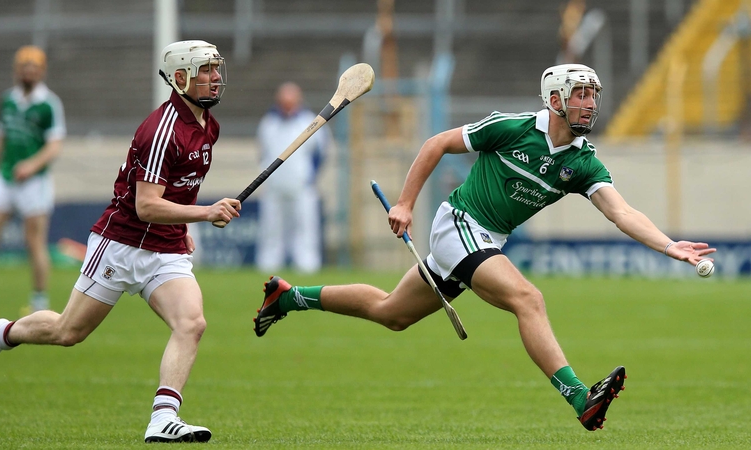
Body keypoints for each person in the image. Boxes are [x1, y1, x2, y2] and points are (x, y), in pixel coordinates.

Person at [252, 64, 717, 431]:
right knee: (528, 298)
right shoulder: (513, 128)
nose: (589, 103)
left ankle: (289, 297)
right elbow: (436, 144)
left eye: (593, 94)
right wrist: (406, 203)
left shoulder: (582, 160)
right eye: (580, 94)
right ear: (554, 100)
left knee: (391, 313)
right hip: (458, 224)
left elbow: (622, 212)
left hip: (484, 241)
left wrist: (668, 245)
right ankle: (580, 397)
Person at [0, 40, 241, 443]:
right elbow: (145, 206)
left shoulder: (207, 126)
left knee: (191, 323)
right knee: (67, 332)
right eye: (206, 71)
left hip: (165, 248)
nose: (216, 78)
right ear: (180, 78)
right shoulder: (161, 131)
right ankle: (1, 334)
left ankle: (162, 418)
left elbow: (177, 191)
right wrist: (206, 213)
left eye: (216, 69)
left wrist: (184, 227)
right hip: (121, 244)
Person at [0, 45, 66, 319]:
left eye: (34, 68)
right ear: (16, 71)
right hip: (5, 177)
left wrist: (32, 165)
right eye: (25, 67)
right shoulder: (8, 100)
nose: (29, 72)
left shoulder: (49, 104)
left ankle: (39, 300)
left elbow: (55, 145)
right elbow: (1, 140)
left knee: (34, 242)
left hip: (35, 183)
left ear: (42, 71)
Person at [255, 82, 330, 274]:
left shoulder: (310, 121)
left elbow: (320, 154)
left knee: (305, 228)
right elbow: (263, 152)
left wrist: (309, 177)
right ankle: (268, 264)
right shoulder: (268, 123)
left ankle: (307, 265)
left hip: (302, 186)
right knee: (272, 228)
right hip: (274, 186)